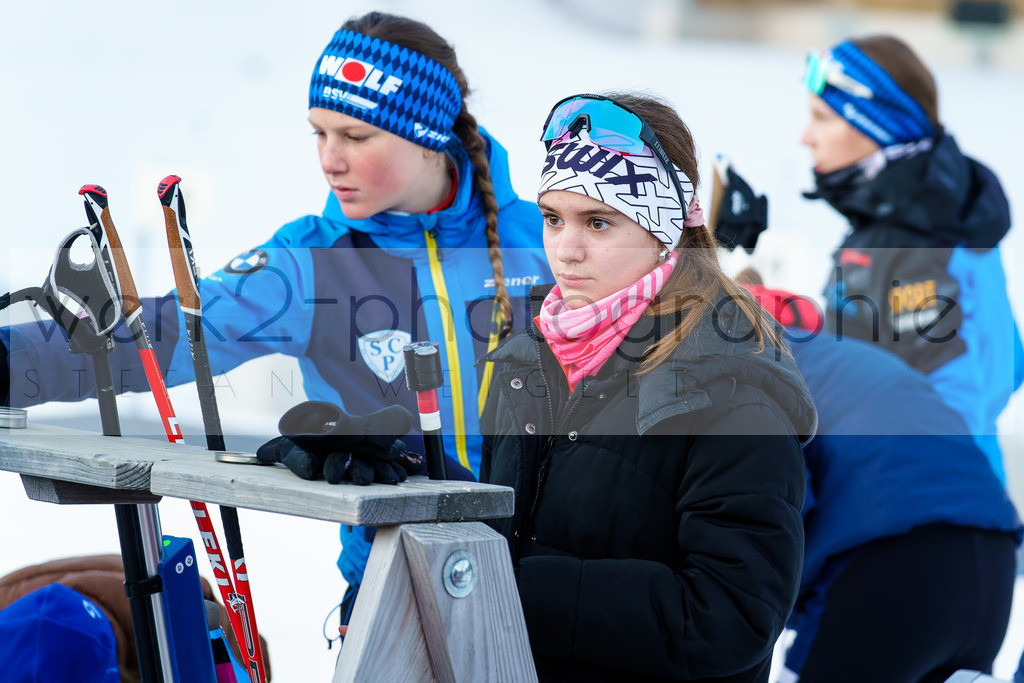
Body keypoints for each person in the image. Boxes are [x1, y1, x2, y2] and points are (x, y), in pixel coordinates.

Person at [0, 12, 549, 624]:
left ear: (427, 135)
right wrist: (11, 361)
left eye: (355, 137)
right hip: (400, 595)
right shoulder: (308, 261)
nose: (329, 159)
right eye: (318, 133)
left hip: (556, 581)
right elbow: (167, 334)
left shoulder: (551, 238)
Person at [479, 92, 817, 682]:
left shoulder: (732, 388)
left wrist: (521, 587)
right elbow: (504, 526)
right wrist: (397, 472)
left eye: (599, 222)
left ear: (664, 231)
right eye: (554, 218)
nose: (566, 248)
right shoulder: (525, 362)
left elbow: (732, 615)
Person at [740, 278, 1021, 683]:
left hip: (888, 568)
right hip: (990, 566)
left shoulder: (753, 363)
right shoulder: (843, 357)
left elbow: (770, 504)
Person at [799, 35, 1023, 483]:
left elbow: (947, 416)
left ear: (872, 125)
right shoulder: (903, 212)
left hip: (931, 512)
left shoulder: (920, 237)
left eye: (822, 118)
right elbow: (1008, 360)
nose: (805, 137)